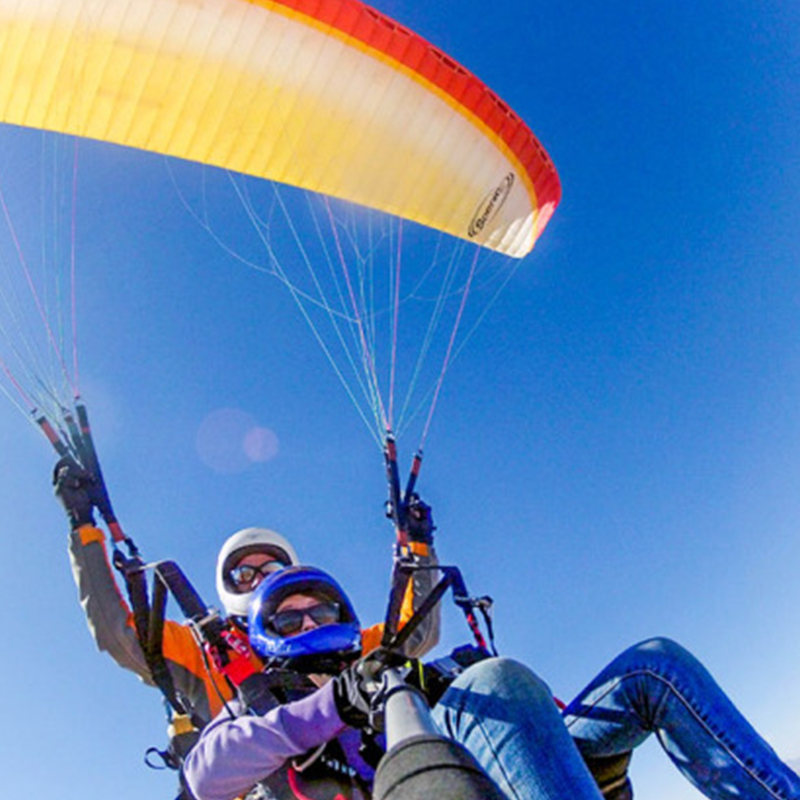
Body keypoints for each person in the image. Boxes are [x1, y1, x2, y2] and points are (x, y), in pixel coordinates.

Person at [185, 566, 800, 800]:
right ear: (265, 633)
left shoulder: (383, 657)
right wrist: (331, 707)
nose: (308, 621)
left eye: (319, 610)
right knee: (500, 680)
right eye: (289, 618)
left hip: (496, 771)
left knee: (653, 665)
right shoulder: (263, 700)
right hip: (416, 787)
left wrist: (447, 675)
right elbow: (206, 775)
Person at [53, 458, 440, 728]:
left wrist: (418, 544)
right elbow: (119, 634)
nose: (257, 579)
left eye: (270, 568)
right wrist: (84, 527)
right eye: (244, 573)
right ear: (227, 584)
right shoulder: (207, 652)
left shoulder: (335, 638)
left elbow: (414, 632)